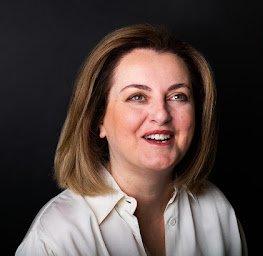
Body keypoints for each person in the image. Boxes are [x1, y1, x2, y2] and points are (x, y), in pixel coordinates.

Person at [16, 24, 247, 256]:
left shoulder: (216, 210)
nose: (161, 115)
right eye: (137, 96)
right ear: (98, 120)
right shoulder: (56, 238)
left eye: (178, 96)